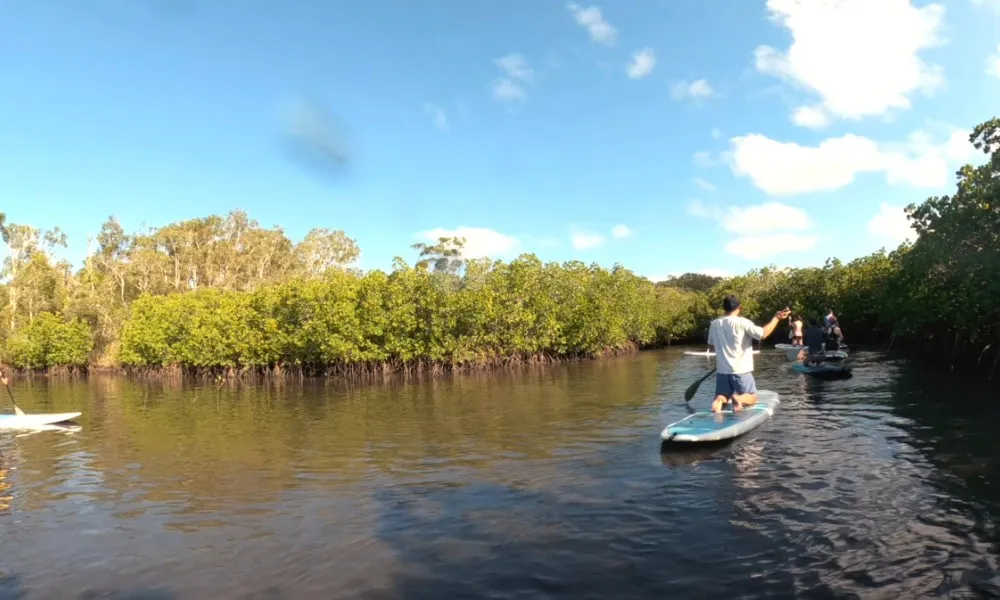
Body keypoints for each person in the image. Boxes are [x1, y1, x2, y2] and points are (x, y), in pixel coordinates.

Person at [707, 295, 790, 413]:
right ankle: (738, 399)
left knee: (722, 395)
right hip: (741, 370)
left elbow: (711, 344)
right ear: (740, 307)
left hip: (722, 370)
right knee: (752, 397)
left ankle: (718, 401)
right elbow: (763, 334)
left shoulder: (714, 323)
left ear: (724, 308)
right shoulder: (743, 322)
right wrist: (777, 318)